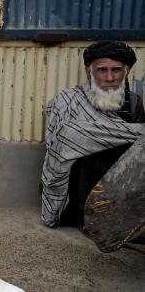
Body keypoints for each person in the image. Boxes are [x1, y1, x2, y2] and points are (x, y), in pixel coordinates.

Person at [41, 41, 145, 228]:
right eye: (102, 70)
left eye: (116, 70)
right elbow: (60, 145)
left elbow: (138, 144)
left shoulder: (134, 102)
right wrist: (88, 138)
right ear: (89, 72)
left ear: (127, 72)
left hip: (118, 182)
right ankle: (86, 217)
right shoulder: (68, 99)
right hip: (77, 187)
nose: (110, 77)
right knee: (84, 149)